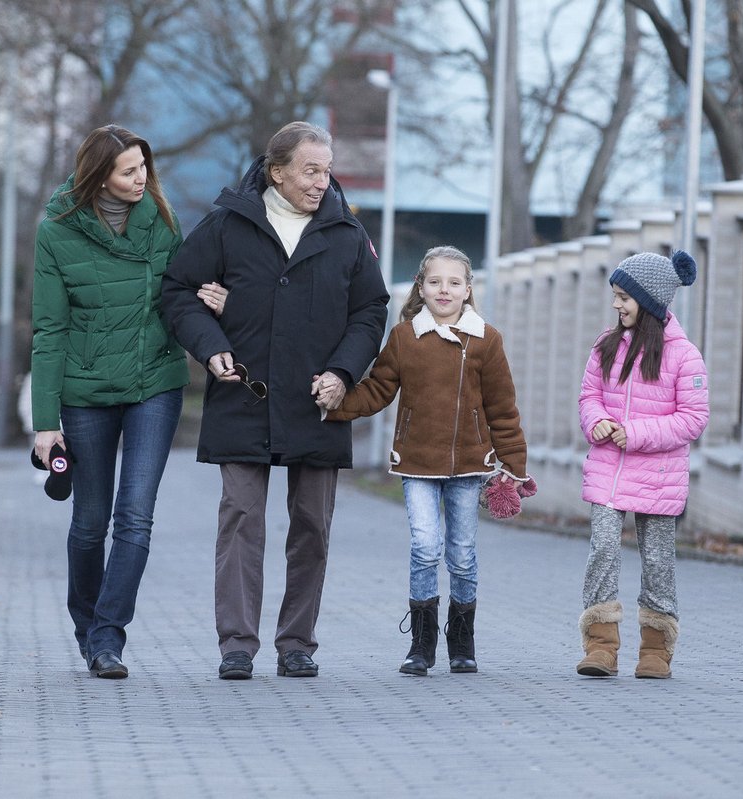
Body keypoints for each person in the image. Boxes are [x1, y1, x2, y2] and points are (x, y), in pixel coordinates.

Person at [160, 121, 389, 681]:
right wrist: (211, 349)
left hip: (318, 403)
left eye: (326, 170)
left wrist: (342, 372)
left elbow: (370, 311)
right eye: (310, 170)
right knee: (241, 518)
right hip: (244, 395)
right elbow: (176, 292)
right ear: (276, 172)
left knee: (312, 523)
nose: (321, 182)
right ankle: (237, 644)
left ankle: (297, 643)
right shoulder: (226, 226)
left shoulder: (346, 234)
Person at [325, 245, 530, 676]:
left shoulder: (486, 339)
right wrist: (336, 403)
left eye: (454, 283)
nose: (444, 290)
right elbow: (378, 389)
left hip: (470, 465)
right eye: (434, 281)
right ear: (421, 286)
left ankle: (462, 640)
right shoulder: (403, 338)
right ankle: (421, 642)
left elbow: (502, 409)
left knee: (462, 553)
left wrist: (514, 466)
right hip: (416, 463)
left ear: (468, 290)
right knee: (424, 547)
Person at [31, 124, 188, 679]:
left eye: (144, 167)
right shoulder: (56, 232)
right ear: (99, 176)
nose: (141, 178)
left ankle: (108, 635)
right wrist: (44, 424)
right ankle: (85, 625)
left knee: (136, 517)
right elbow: (49, 331)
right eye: (128, 171)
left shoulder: (164, 224)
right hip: (86, 391)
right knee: (89, 522)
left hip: (155, 385)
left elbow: (180, 296)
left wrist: (209, 298)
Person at [575, 251, 709, 680]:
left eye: (623, 297)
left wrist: (635, 433)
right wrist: (596, 422)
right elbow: (589, 396)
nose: (616, 305)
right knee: (603, 552)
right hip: (609, 471)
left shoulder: (685, 357)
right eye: (615, 296)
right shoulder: (605, 345)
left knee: (658, 561)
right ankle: (601, 646)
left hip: (658, 476)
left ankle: (655, 650)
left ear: (648, 301)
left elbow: (693, 419)